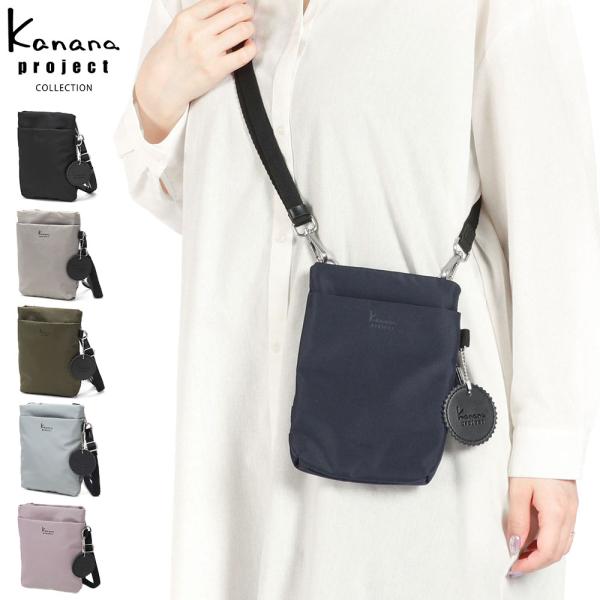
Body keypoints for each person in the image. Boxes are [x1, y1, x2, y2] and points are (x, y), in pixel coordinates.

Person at [115, 1, 600, 598]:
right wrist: (156, 98)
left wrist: (549, 445)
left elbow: (553, 216)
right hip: (235, 434)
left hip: (425, 447)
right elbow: (195, 202)